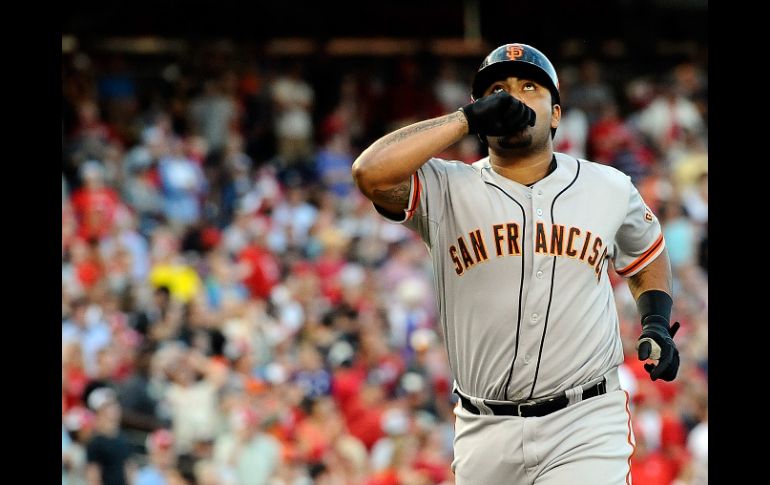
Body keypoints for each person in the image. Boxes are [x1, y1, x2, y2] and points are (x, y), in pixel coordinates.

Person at [352, 42, 681, 484]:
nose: (513, 97)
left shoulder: (608, 186)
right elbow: (369, 173)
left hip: (583, 421)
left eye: (530, 86)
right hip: (484, 428)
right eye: (498, 89)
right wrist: (464, 120)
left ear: (557, 114)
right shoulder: (446, 186)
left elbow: (647, 254)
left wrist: (656, 320)